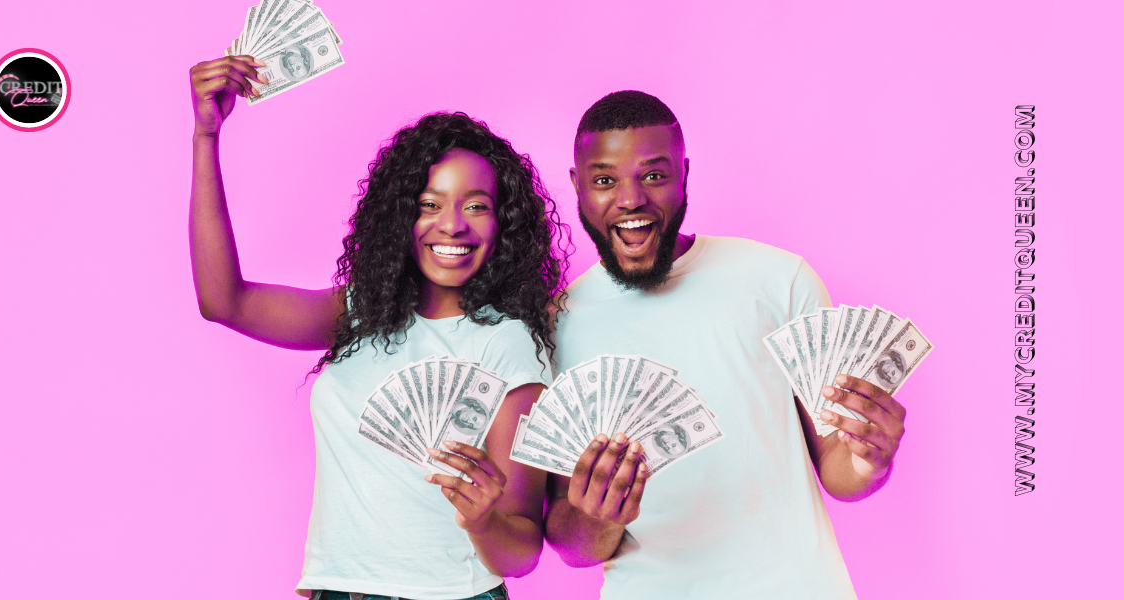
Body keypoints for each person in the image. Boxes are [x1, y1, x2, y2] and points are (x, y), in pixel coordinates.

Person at [188, 55, 567, 600]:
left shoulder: (508, 344)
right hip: (337, 591)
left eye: (476, 205)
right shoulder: (360, 313)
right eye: (428, 204)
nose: (452, 224)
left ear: (504, 222)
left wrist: (485, 520)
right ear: (399, 217)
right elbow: (224, 301)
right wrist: (206, 136)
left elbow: (522, 551)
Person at [544, 91, 908, 599]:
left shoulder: (778, 281)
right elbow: (569, 542)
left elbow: (838, 467)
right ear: (577, 187)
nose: (630, 200)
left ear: (684, 174)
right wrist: (597, 517)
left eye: (654, 175)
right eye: (605, 180)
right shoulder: (556, 328)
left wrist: (871, 458)